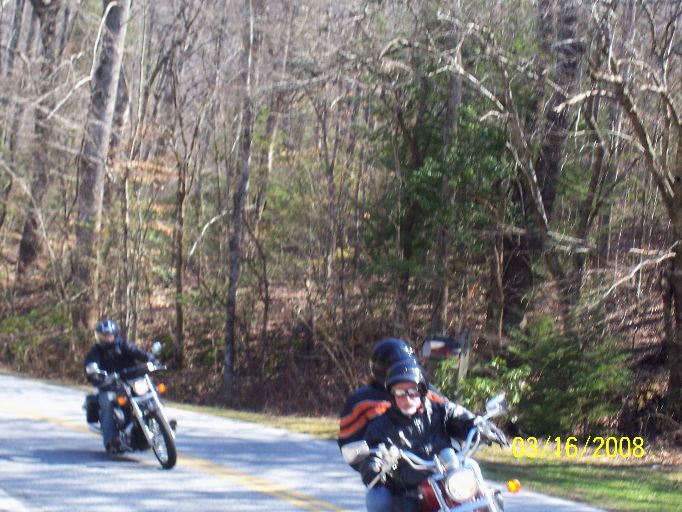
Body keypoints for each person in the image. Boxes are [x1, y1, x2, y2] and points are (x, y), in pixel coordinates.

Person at [360, 359, 478, 512]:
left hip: (447, 476)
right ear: (392, 395)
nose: (407, 398)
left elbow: (462, 417)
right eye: (400, 393)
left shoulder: (440, 411)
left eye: (413, 391)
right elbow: (372, 451)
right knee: (377, 498)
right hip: (408, 489)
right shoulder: (380, 426)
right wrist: (373, 465)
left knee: (472, 468)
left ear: (422, 391)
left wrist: (480, 426)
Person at [337, 338, 448, 467]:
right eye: (399, 369)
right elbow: (349, 442)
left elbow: (451, 414)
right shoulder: (362, 401)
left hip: (435, 462)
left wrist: (467, 424)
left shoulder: (425, 391)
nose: (405, 372)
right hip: (391, 467)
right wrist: (371, 465)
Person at [84, 319, 155, 453]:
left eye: (110, 335)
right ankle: (111, 441)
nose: (107, 338)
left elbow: (136, 351)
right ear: (99, 337)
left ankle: (158, 424)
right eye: (104, 336)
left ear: (115, 335)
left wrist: (149, 358)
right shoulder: (95, 351)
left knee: (150, 391)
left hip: (131, 380)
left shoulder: (123, 344)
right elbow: (91, 366)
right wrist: (95, 375)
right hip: (110, 385)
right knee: (107, 402)